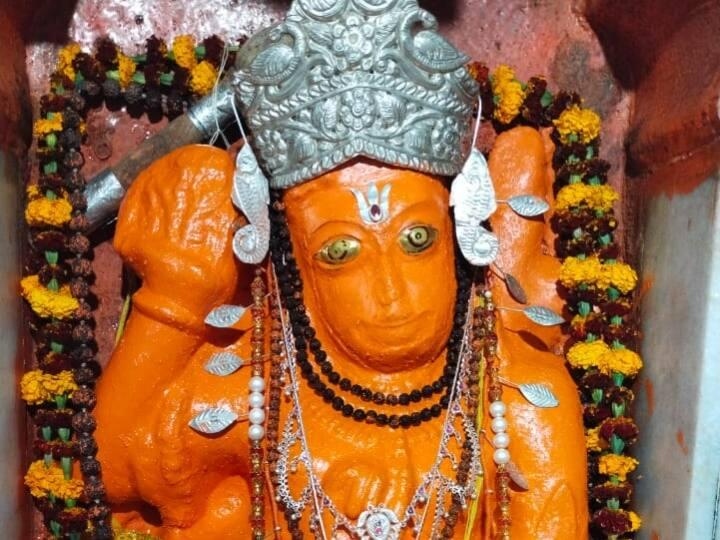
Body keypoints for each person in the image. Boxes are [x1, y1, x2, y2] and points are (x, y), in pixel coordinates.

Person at [94, 1, 587, 537]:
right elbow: (110, 474)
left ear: (459, 232)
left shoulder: (517, 397)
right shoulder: (256, 389)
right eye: (341, 252)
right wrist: (176, 299)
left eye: (416, 240)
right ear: (292, 259)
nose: (390, 290)